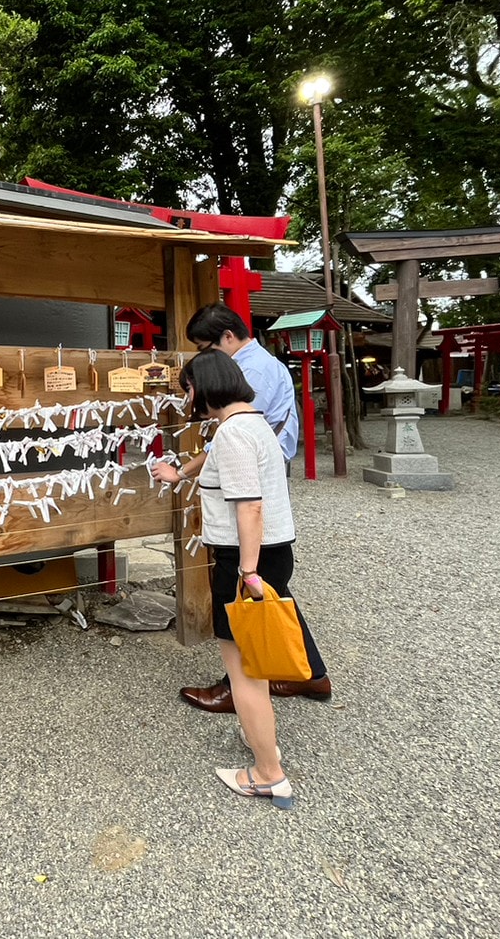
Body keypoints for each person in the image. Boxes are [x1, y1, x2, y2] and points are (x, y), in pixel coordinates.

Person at [152, 350, 300, 807]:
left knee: (244, 673)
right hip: (271, 552)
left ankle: (267, 773)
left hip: (246, 560)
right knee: (251, 663)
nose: (188, 397)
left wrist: (248, 574)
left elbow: (248, 506)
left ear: (205, 387)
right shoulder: (253, 425)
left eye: (189, 389)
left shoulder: (234, 435)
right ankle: (263, 744)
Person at [178, 304, 331, 712]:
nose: (206, 359)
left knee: (244, 605)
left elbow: (240, 474)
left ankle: (241, 689)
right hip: (268, 491)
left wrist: (246, 568)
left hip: (252, 499)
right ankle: (309, 673)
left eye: (206, 347)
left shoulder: (249, 380)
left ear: (228, 337)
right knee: (273, 594)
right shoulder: (266, 365)